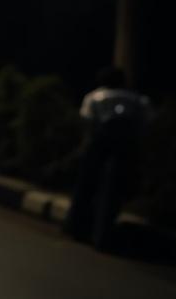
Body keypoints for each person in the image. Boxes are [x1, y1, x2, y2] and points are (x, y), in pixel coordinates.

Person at [65, 65, 153, 251]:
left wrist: (83, 150)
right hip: (126, 147)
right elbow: (145, 127)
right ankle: (103, 233)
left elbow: (87, 125)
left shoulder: (95, 97)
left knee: (85, 185)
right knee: (115, 189)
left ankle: (76, 226)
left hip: (100, 143)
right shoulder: (137, 99)